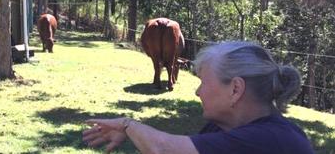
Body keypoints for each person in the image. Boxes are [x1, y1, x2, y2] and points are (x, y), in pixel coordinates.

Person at [82, 41, 314, 154]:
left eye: (203, 82)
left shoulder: (272, 140)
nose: (198, 91)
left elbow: (163, 149)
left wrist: (127, 125)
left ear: (235, 89)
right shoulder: (220, 128)